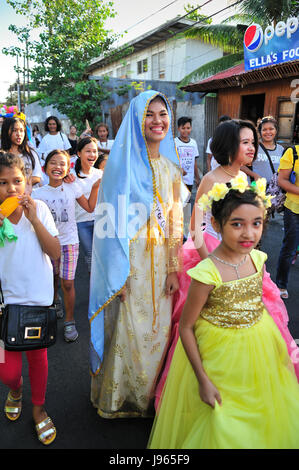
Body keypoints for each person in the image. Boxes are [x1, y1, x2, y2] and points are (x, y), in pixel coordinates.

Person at [154, 119, 299, 408]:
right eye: (245, 142)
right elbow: (195, 228)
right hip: (209, 252)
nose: (252, 147)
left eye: (252, 142)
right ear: (228, 145)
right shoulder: (211, 179)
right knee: (200, 322)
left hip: (243, 259)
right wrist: (212, 264)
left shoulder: (246, 179)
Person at [148, 178, 299, 449]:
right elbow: (185, 327)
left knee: (260, 407)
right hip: (218, 353)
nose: (248, 234)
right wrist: (202, 379)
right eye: (237, 224)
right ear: (217, 225)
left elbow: (258, 302)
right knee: (222, 417)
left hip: (259, 344)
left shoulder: (257, 259)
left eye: (256, 223)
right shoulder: (207, 273)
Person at [89, 90, 189, 419]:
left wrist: (174, 269)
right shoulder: (122, 168)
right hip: (129, 263)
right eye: (149, 114)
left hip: (161, 264)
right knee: (127, 329)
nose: (157, 121)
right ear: (136, 119)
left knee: (158, 331)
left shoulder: (172, 171)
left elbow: (176, 223)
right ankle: (120, 398)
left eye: (163, 114)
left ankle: (150, 398)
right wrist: (114, 272)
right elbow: (108, 227)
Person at [0, 152, 60, 445]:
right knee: (6, 369)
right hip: (4, 307)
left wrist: (35, 219)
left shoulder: (41, 209)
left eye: (17, 181)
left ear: (26, 183)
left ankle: (38, 409)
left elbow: (55, 252)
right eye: (3, 182)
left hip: (37, 302)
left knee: (39, 359)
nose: (11, 189)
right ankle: (15, 388)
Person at [32, 150, 101, 342]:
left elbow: (89, 207)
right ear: (45, 168)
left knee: (68, 283)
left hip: (70, 241)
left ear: (68, 168)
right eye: (53, 163)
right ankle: (55, 301)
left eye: (62, 163)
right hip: (47, 244)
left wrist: (95, 187)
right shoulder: (38, 194)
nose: (58, 167)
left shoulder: (73, 187)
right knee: (52, 278)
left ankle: (69, 321)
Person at [72, 137, 103, 272]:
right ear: (79, 153)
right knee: (91, 257)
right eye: (88, 151)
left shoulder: (100, 174)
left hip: (101, 221)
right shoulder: (71, 176)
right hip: (82, 222)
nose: (92, 155)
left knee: (102, 257)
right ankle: (94, 290)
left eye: (94, 151)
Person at [276, 144, 299, 299]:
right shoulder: (293, 152)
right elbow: (282, 180)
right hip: (294, 209)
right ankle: (281, 284)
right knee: (290, 248)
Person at [1, 117, 43, 188]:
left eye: (21, 130)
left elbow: (37, 177)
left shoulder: (31, 153)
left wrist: (20, 186)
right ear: (6, 132)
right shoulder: (2, 155)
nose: (19, 134)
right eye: (15, 130)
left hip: (29, 196)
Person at [242, 116, 284, 184]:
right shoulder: (254, 147)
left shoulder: (281, 149)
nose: (268, 132)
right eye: (264, 129)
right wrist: (254, 175)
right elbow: (240, 165)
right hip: (256, 188)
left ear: (276, 130)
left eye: (271, 129)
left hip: (274, 190)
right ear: (260, 131)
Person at [174, 117, 200, 192]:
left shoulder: (193, 143)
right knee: (177, 202)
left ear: (191, 128)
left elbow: (194, 162)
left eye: (188, 128)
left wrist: (197, 178)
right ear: (178, 128)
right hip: (177, 180)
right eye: (183, 128)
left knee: (187, 202)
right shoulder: (174, 142)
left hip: (189, 180)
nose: (186, 130)